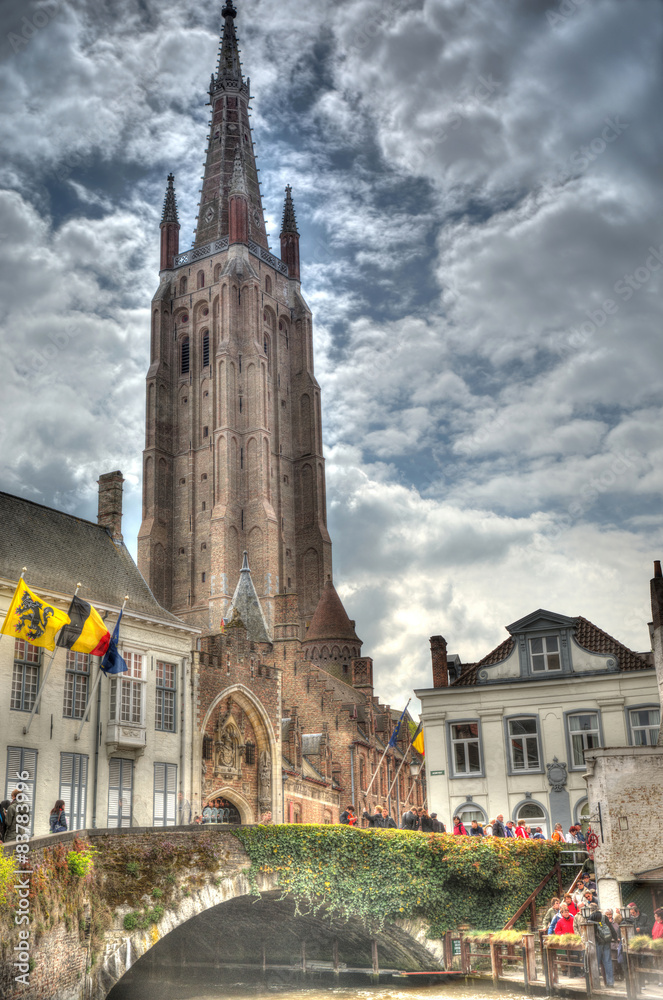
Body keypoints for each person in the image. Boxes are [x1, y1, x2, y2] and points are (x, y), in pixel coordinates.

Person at [588, 906, 619, 987]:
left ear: (591, 910)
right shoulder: (604, 917)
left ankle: (595, 983)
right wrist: (615, 938)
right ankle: (610, 982)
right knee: (608, 961)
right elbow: (611, 928)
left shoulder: (591, 917)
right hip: (606, 941)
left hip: (597, 942)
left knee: (596, 962)